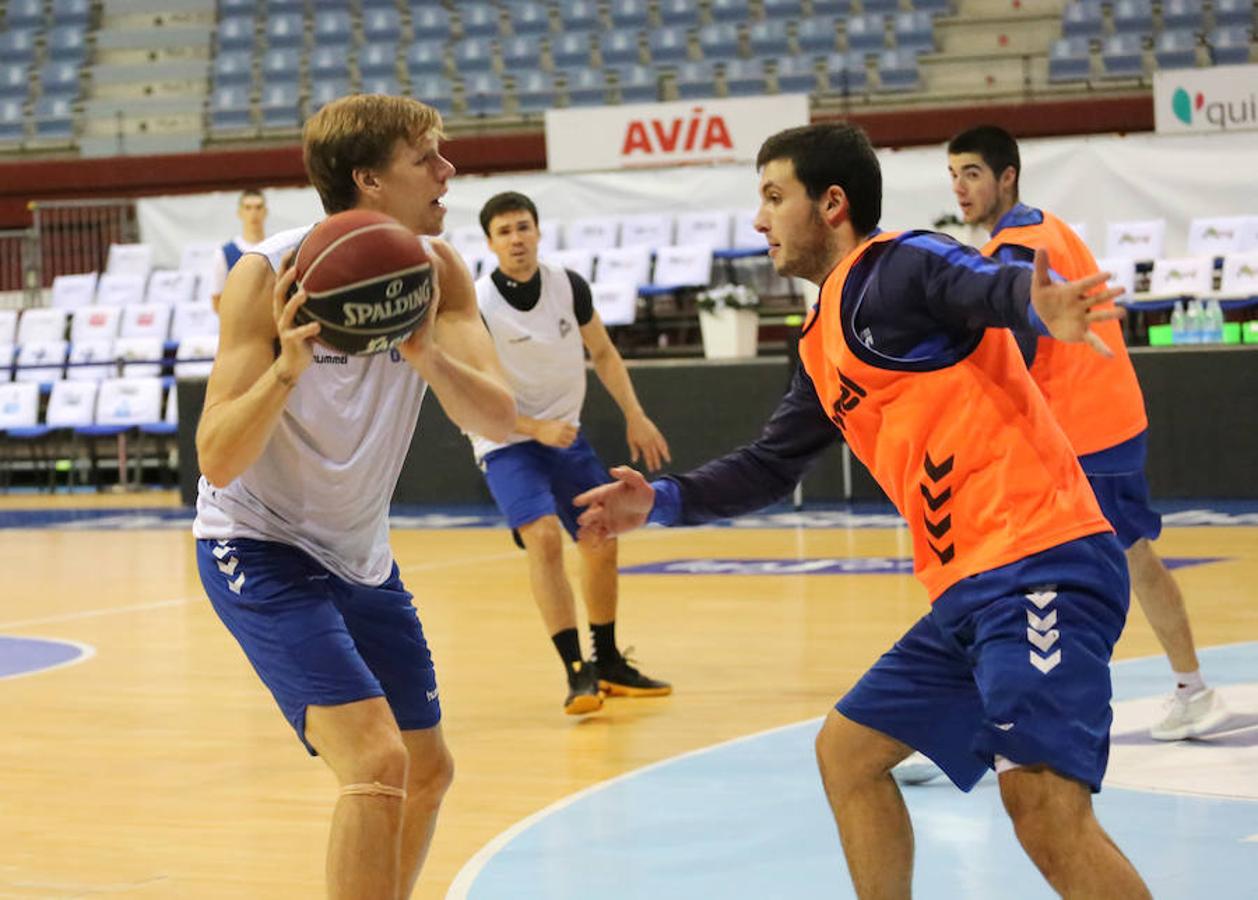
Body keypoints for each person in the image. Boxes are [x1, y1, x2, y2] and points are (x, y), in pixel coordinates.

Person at [576, 123, 1151, 899]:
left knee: (1043, 808)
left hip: (1038, 561)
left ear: (833, 204)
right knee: (846, 754)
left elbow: (979, 284)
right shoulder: (820, 340)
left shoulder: (901, 262)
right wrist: (664, 499)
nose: (759, 221)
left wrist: (1033, 303)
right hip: (968, 591)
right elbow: (771, 463)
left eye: (775, 198)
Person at [192, 94, 515, 899]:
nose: (448, 172)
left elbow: (499, 416)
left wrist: (426, 354)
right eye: (426, 160)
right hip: (255, 543)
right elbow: (218, 459)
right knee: (376, 763)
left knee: (428, 769)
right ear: (368, 179)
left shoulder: (439, 270)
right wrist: (286, 368)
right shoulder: (266, 274)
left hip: (359, 553)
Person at [947, 124, 1228, 741]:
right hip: (1108, 421)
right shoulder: (1046, 226)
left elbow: (1013, 347)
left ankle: (997, 721)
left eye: (972, 173)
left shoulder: (1018, 249)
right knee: (1129, 557)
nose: (961, 187)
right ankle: (1191, 687)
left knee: (1009, 572)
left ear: (1006, 177)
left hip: (1077, 432)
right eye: (953, 175)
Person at [470, 190, 673, 715]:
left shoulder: (567, 286)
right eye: (505, 232)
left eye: (523, 227)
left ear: (537, 231)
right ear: (490, 244)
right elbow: (467, 395)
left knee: (600, 534)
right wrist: (530, 426)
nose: (516, 239)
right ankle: (575, 672)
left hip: (563, 435)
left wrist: (635, 413)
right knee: (542, 538)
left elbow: (603, 353)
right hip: (507, 439)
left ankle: (606, 661)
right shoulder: (477, 304)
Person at [209, 188, 268, 312]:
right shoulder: (224, 254)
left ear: (265, 211)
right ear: (239, 213)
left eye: (258, 207)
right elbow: (217, 301)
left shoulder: (276, 248)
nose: (253, 213)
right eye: (248, 207)